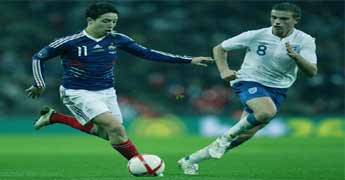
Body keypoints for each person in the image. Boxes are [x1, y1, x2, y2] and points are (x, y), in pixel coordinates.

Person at [25, 2, 213, 164]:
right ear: (90, 21)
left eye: (114, 21)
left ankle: (55, 117)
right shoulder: (71, 42)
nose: (111, 25)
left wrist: (189, 60)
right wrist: (39, 83)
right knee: (116, 127)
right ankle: (143, 164)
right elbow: (38, 57)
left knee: (111, 135)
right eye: (106, 21)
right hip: (77, 92)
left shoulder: (117, 39)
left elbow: (147, 53)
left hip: (107, 91)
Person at [178, 2, 317, 175]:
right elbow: (219, 48)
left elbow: (311, 71)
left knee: (245, 134)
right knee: (266, 112)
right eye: (274, 17)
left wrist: (296, 57)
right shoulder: (256, 35)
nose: (277, 22)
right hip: (249, 80)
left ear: (296, 20)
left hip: (278, 89)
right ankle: (223, 139)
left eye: (283, 18)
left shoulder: (305, 41)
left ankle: (190, 160)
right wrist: (224, 70)